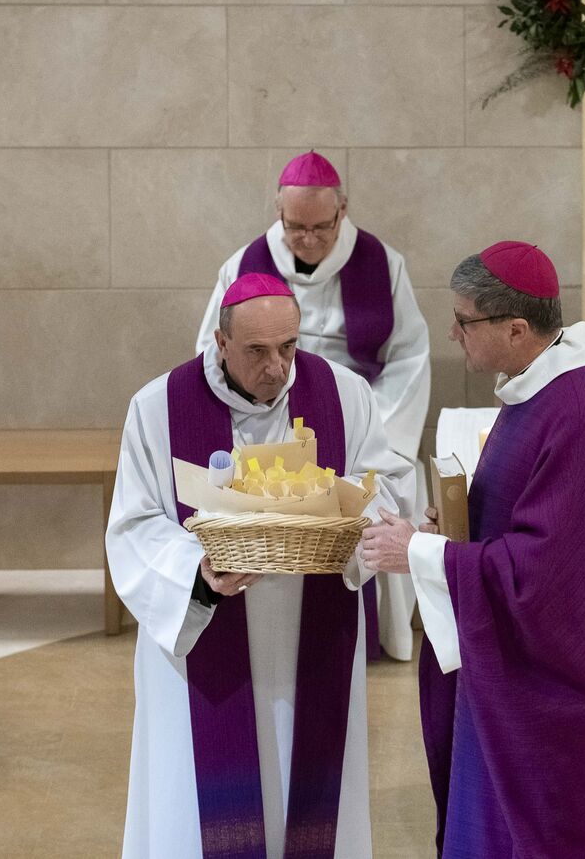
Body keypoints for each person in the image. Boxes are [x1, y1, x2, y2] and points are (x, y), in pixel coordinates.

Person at [358, 242, 585, 857]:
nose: (452, 333)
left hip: (551, 687)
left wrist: (422, 555)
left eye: (464, 321)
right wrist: (454, 529)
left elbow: (544, 574)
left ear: (515, 329)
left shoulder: (579, 410)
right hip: (510, 663)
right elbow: (527, 518)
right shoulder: (543, 390)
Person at [108, 272, 415, 857]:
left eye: (288, 347)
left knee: (312, 796)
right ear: (221, 343)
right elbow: (133, 526)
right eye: (256, 351)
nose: (276, 367)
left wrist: (348, 515)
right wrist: (198, 574)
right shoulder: (157, 407)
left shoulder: (345, 394)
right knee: (197, 805)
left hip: (313, 639)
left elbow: (388, 484)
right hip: (204, 641)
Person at [195, 151, 429, 662]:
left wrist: (372, 427)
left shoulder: (382, 264)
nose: (307, 239)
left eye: (321, 227)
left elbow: (410, 355)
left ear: (342, 210)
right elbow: (213, 352)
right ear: (278, 211)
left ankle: (375, 632)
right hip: (266, 418)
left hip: (358, 412)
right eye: (295, 227)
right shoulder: (243, 265)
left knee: (391, 480)